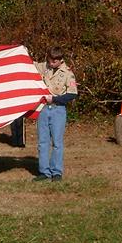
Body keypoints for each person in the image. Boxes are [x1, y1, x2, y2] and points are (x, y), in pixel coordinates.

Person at [33, 46, 78, 182]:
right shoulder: (44, 66)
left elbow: (72, 94)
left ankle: (56, 172)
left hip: (58, 109)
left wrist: (55, 99)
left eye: (54, 61)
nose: (51, 63)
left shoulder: (68, 73)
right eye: (49, 60)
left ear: (60, 60)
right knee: (42, 142)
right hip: (43, 109)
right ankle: (44, 172)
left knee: (57, 143)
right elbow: (29, 64)